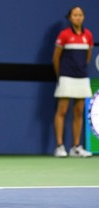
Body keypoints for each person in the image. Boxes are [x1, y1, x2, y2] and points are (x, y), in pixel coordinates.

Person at [53, 6, 93, 157]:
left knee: (78, 112)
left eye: (80, 15)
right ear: (70, 18)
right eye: (75, 15)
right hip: (66, 76)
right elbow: (56, 58)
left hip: (82, 77)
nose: (78, 17)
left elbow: (88, 57)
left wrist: (80, 69)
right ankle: (60, 146)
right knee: (62, 111)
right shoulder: (64, 35)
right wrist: (61, 75)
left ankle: (76, 147)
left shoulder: (88, 35)